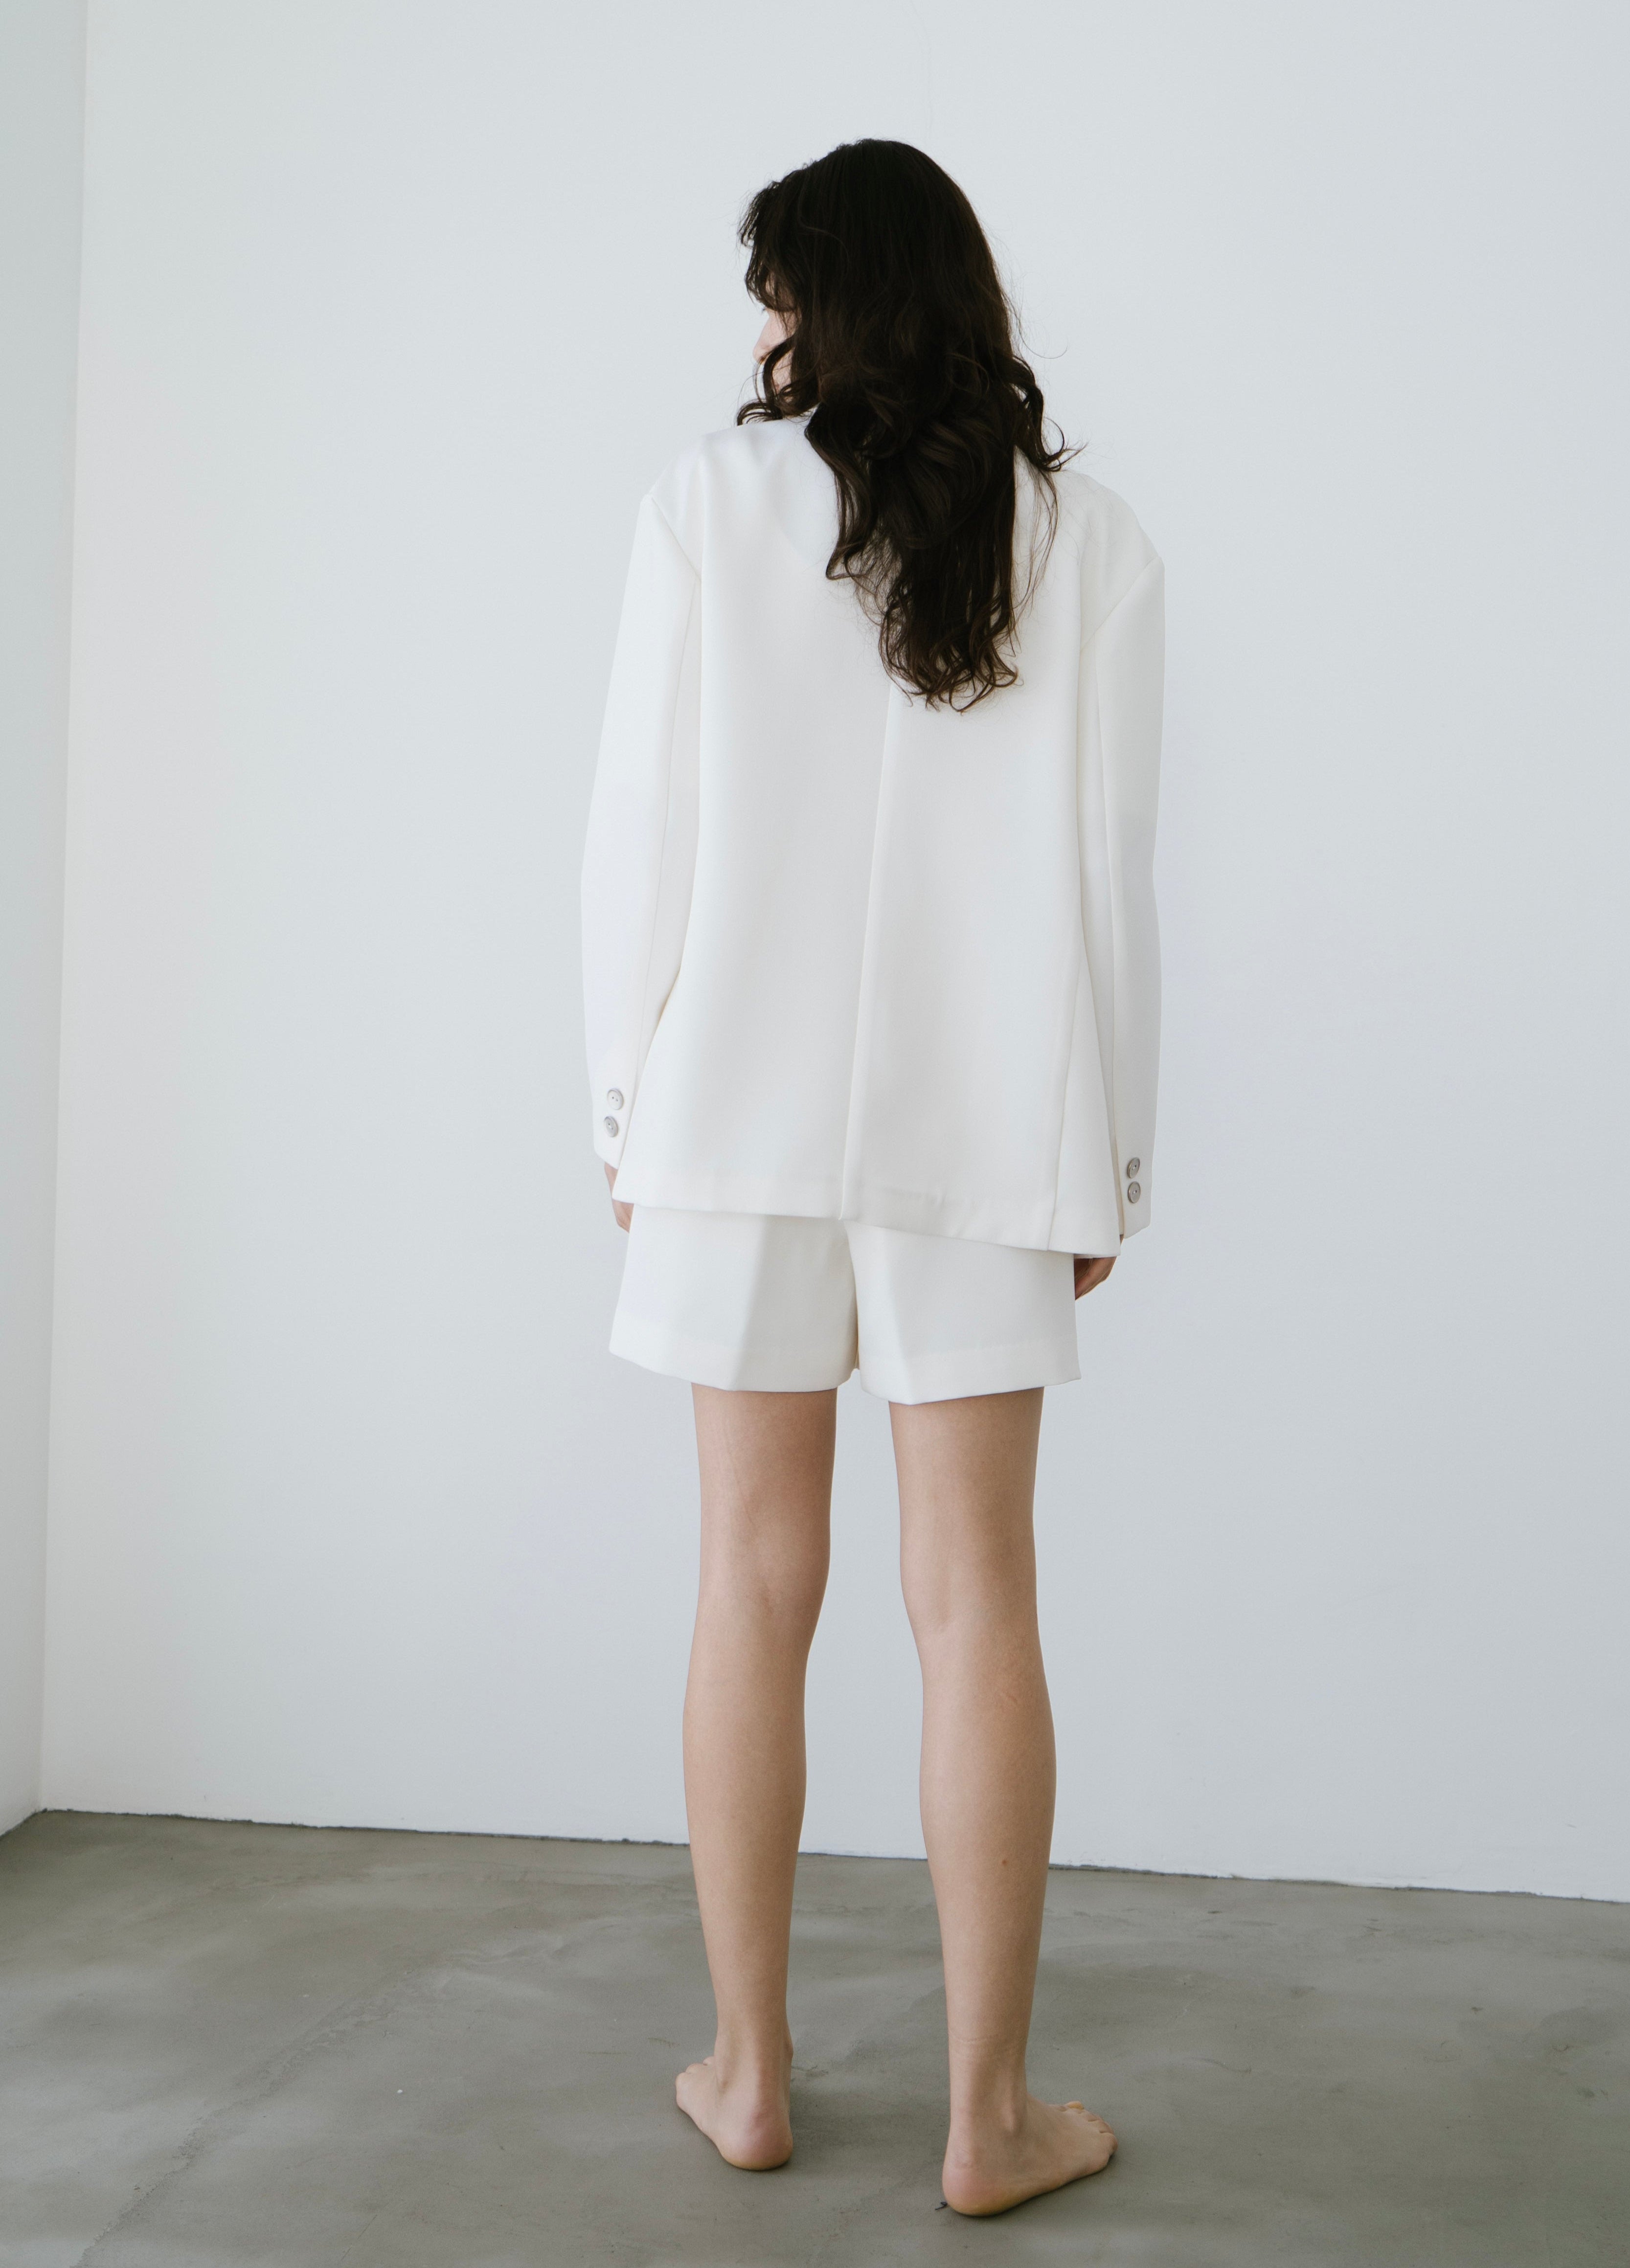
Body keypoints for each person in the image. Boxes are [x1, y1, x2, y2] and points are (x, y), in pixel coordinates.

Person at [579, 138, 1163, 2217]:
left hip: (731, 1114)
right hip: (986, 1124)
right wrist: (1109, 1161)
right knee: (976, 1592)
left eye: (779, 291)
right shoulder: (1085, 538)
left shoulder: (707, 502)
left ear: (821, 302)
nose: (764, 329)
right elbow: (1111, 876)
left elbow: (637, 830)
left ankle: (750, 2070)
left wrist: (625, 1114)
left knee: (750, 1575)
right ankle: (989, 2119)